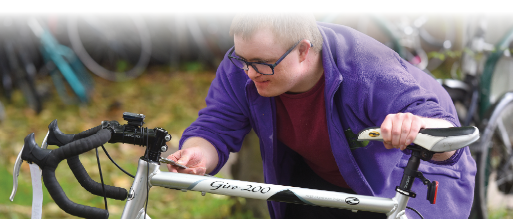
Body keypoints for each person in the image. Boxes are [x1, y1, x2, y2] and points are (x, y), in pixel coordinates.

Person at [166, 13, 476, 219]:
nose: (249, 72)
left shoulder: (367, 67)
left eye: (263, 63)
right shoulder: (244, 65)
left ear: (303, 50)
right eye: (242, 59)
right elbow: (216, 125)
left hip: (402, 183)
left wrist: (417, 126)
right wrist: (198, 154)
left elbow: (448, 139)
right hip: (323, 179)